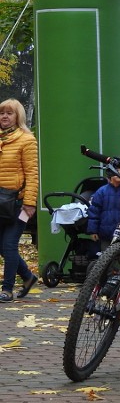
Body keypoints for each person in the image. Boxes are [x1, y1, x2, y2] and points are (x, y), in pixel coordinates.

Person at [0, 98, 38, 302]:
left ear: (18, 117)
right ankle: (28, 277)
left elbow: (32, 173)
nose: (4, 117)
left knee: (9, 245)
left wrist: (30, 202)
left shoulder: (26, 140)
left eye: (9, 113)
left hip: (18, 202)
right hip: (0, 202)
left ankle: (7, 289)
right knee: (1, 246)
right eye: (2, 113)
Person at [87, 168, 120, 246]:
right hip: (104, 235)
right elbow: (94, 212)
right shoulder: (101, 191)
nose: (119, 173)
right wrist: (93, 231)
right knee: (106, 256)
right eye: (116, 171)